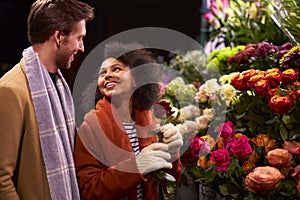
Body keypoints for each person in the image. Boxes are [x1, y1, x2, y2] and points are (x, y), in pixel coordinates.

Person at [0, 0, 94, 199]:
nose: (82, 47)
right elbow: (1, 180)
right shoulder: (10, 90)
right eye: (79, 39)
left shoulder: (59, 86)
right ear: (59, 37)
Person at [74, 42, 183, 200]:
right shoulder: (90, 127)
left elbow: (167, 185)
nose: (107, 75)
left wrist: (173, 152)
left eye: (116, 69)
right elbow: (89, 190)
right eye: (102, 73)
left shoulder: (152, 121)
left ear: (136, 80)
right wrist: (135, 167)